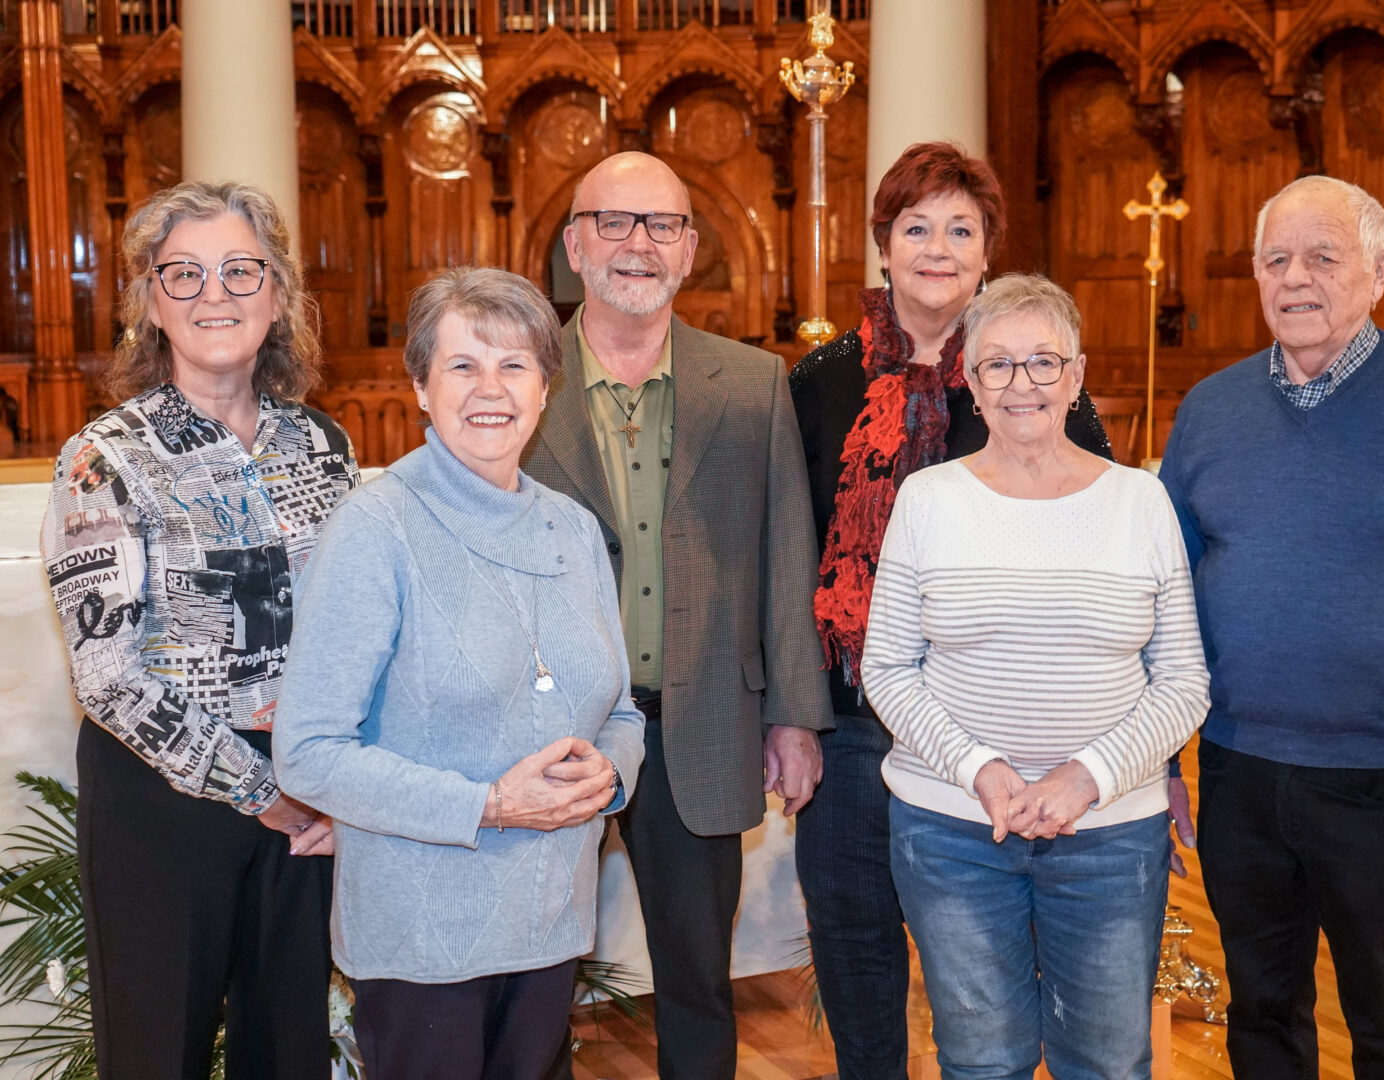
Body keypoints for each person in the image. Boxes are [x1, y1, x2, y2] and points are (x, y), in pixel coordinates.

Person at [1157, 175, 1384, 1079]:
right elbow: (1161, 598)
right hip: (1240, 775)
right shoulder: (1210, 409)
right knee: (1262, 1017)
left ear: (1380, 271)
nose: (1296, 279)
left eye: (1323, 257)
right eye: (1276, 259)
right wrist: (1161, 761)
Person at [789, 142, 1119, 1079]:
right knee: (855, 949)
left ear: (987, 256)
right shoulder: (821, 381)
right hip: (857, 722)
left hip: (999, 725)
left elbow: (1101, 550)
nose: (937, 248)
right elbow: (789, 555)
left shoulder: (1031, 378)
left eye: (960, 229)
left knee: (986, 978)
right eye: (916, 227)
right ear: (884, 247)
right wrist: (794, 715)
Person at [273, 266, 645, 1079]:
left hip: (550, 919)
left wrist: (612, 769)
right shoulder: (376, 528)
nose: (492, 389)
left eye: (515, 365)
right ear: (419, 385)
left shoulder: (574, 528)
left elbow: (619, 708)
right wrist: (492, 804)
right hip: (424, 933)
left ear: (547, 387)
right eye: (462, 365)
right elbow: (307, 751)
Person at [522, 150, 833, 1080]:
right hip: (550, 737)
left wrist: (794, 717)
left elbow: (787, 553)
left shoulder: (750, 384)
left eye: (661, 225)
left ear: (690, 249)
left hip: (701, 724)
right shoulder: (516, 385)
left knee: (698, 981)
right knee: (537, 979)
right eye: (614, 223)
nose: (637, 244)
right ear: (575, 245)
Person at [42, 181, 358, 1080]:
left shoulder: (323, 446)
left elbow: (354, 625)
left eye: (239, 271)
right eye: (183, 274)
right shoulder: (104, 457)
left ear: (280, 294)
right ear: (148, 302)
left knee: (290, 1049)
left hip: (305, 789)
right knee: (157, 1053)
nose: (214, 295)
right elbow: (107, 677)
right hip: (163, 799)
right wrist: (261, 791)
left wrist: (335, 781)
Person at [861, 273, 1211, 1080]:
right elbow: (888, 666)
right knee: (983, 1060)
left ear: (1077, 375)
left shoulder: (1140, 502)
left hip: (1110, 834)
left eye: (1043, 363)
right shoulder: (927, 499)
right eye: (998, 366)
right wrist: (978, 769)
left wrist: (1086, 778)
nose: (1023, 385)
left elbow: (1183, 678)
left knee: (1109, 1063)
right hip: (952, 830)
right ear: (970, 384)